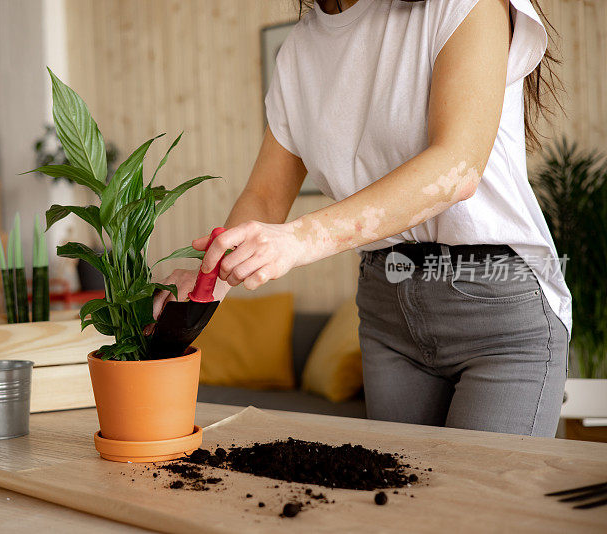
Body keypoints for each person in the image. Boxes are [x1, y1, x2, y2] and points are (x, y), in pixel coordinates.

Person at [153, 0, 570, 438]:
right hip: (386, 311)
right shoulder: (299, 51)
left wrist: (300, 240)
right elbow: (264, 195)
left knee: (479, 505)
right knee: (405, 502)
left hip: (497, 307)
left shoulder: (464, 4)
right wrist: (207, 282)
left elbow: (456, 169)